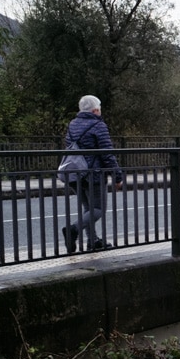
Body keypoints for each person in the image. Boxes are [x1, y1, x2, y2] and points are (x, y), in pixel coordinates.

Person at [61, 95, 123, 253]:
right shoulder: (98, 125)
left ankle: (93, 241)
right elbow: (107, 153)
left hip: (75, 172)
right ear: (95, 110)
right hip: (93, 174)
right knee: (98, 209)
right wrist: (117, 176)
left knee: (88, 208)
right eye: (100, 108)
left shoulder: (73, 124)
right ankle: (73, 229)